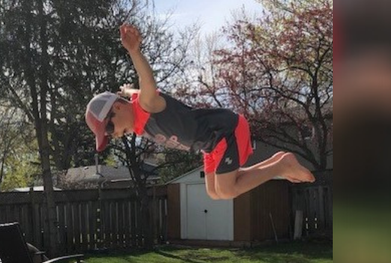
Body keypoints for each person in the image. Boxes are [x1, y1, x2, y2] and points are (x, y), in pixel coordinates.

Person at [85, 24, 315, 200]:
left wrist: (135, 52)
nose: (113, 135)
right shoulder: (139, 121)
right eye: (108, 136)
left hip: (222, 131)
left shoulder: (146, 106)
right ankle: (277, 162)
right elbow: (136, 91)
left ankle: (281, 165)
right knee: (214, 193)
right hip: (209, 144)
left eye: (109, 128)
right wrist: (128, 90)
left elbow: (147, 80)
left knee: (227, 190)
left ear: (117, 107)